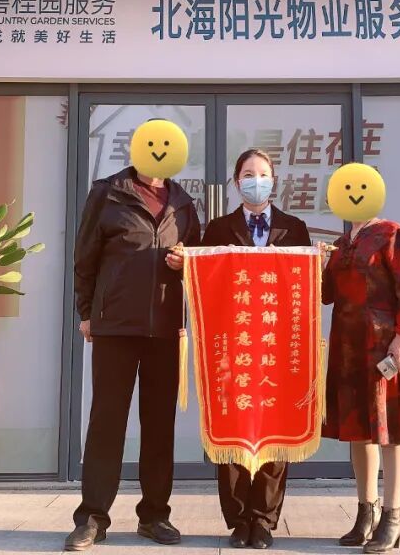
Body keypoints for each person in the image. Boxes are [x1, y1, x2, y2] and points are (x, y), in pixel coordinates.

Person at [66, 123, 201, 551]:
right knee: (106, 422)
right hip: (115, 326)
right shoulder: (108, 193)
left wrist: (185, 262)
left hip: (165, 330)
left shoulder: (183, 203)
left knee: (159, 425)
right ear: (137, 149)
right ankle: (92, 517)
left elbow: (198, 263)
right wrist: (86, 312)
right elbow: (84, 257)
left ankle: (155, 515)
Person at [174, 149, 311, 550]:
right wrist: (184, 264)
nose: (256, 181)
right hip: (232, 347)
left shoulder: (294, 228)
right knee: (233, 429)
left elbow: (307, 288)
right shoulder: (219, 229)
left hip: (276, 345)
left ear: (274, 180)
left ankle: (264, 519)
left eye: (263, 174)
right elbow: (203, 280)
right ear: (237, 183)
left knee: (274, 427)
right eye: (248, 174)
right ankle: (238, 519)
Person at [322, 164, 400, 554]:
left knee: (390, 429)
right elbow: (326, 295)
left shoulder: (392, 234)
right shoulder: (341, 243)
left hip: (381, 343)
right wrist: (318, 263)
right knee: (358, 430)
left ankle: (393, 516)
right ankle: (367, 511)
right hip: (346, 345)